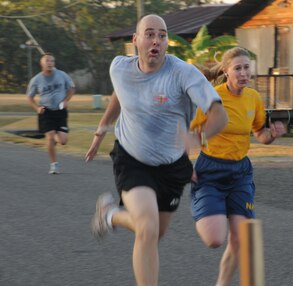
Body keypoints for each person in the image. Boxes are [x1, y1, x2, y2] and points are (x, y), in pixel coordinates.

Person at [85, 14, 228, 286]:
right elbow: (121, 92)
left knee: (155, 232)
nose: (156, 41)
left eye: (162, 36)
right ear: (135, 40)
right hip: (132, 158)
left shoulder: (182, 73)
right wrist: (102, 128)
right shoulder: (119, 68)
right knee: (147, 229)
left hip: (172, 165)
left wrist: (198, 138)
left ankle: (110, 215)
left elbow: (220, 116)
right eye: (149, 34)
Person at [190, 47, 286, 286]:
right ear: (226, 70)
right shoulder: (212, 96)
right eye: (238, 68)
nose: (243, 73)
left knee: (242, 238)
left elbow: (259, 134)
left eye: (246, 68)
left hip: (240, 173)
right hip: (210, 172)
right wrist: (183, 164)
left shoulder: (253, 98)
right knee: (214, 239)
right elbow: (189, 134)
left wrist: (272, 134)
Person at [27, 52, 75, 174]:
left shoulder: (62, 75)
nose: (50, 63)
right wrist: (37, 108)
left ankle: (53, 135)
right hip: (46, 112)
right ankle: (54, 165)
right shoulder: (36, 79)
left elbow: (71, 89)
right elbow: (30, 97)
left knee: (63, 141)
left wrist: (65, 100)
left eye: (52, 61)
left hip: (60, 111)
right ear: (42, 63)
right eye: (47, 61)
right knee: (49, 137)